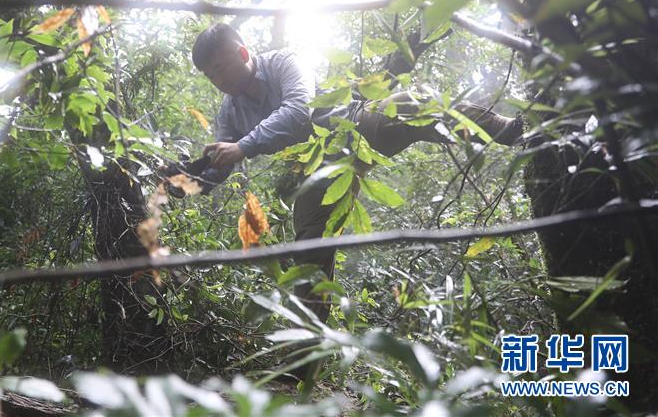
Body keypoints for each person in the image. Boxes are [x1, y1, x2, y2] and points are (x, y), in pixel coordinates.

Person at [178, 23, 522, 324]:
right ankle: (305, 354)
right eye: (210, 76)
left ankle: (512, 130)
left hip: (355, 127)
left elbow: (298, 109)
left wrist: (244, 146)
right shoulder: (231, 111)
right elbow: (220, 164)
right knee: (310, 247)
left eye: (221, 68)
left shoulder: (283, 63)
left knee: (414, 103)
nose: (218, 81)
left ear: (242, 52)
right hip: (316, 170)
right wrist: (183, 181)